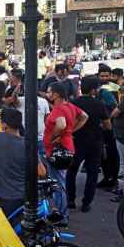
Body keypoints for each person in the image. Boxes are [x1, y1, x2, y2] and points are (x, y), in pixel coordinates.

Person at [44, 82, 88, 224]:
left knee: (57, 182)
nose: (47, 94)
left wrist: (54, 137)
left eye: (49, 92)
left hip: (58, 149)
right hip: (67, 146)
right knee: (59, 179)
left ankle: (62, 215)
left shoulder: (58, 109)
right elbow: (84, 116)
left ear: (56, 94)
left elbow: (61, 124)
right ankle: (60, 211)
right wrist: (71, 131)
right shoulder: (70, 106)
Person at [66, 78, 111, 212]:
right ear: (93, 90)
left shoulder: (73, 103)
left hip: (76, 141)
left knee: (71, 171)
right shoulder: (99, 104)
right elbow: (108, 125)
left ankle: (70, 199)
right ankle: (86, 203)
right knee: (92, 173)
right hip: (95, 142)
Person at [98, 65, 120, 190]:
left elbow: (116, 106)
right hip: (101, 126)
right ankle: (107, 177)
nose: (105, 78)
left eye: (107, 75)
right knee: (103, 155)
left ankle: (112, 179)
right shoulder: (98, 88)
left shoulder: (115, 89)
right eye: (102, 76)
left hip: (110, 126)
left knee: (112, 154)